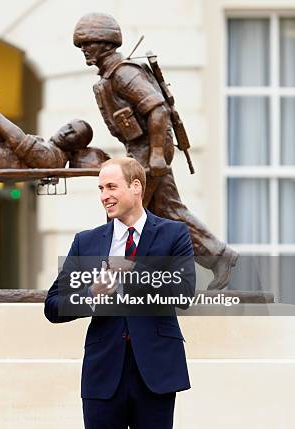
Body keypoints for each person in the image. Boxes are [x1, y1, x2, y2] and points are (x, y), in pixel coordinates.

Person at [73, 12, 237, 289]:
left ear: (106, 44)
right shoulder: (111, 76)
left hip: (148, 151)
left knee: (123, 209)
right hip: (140, 150)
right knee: (167, 210)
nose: (84, 50)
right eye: (82, 45)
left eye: (89, 43)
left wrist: (158, 155)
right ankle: (218, 255)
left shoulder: (124, 73)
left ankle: (116, 276)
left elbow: (158, 109)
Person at [44, 157, 196, 429]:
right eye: (101, 189)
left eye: (111, 187)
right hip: (103, 372)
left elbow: (183, 292)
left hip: (156, 371)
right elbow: (53, 306)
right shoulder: (86, 241)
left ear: (136, 187)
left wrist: (132, 270)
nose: (104, 196)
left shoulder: (174, 234)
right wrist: (91, 294)